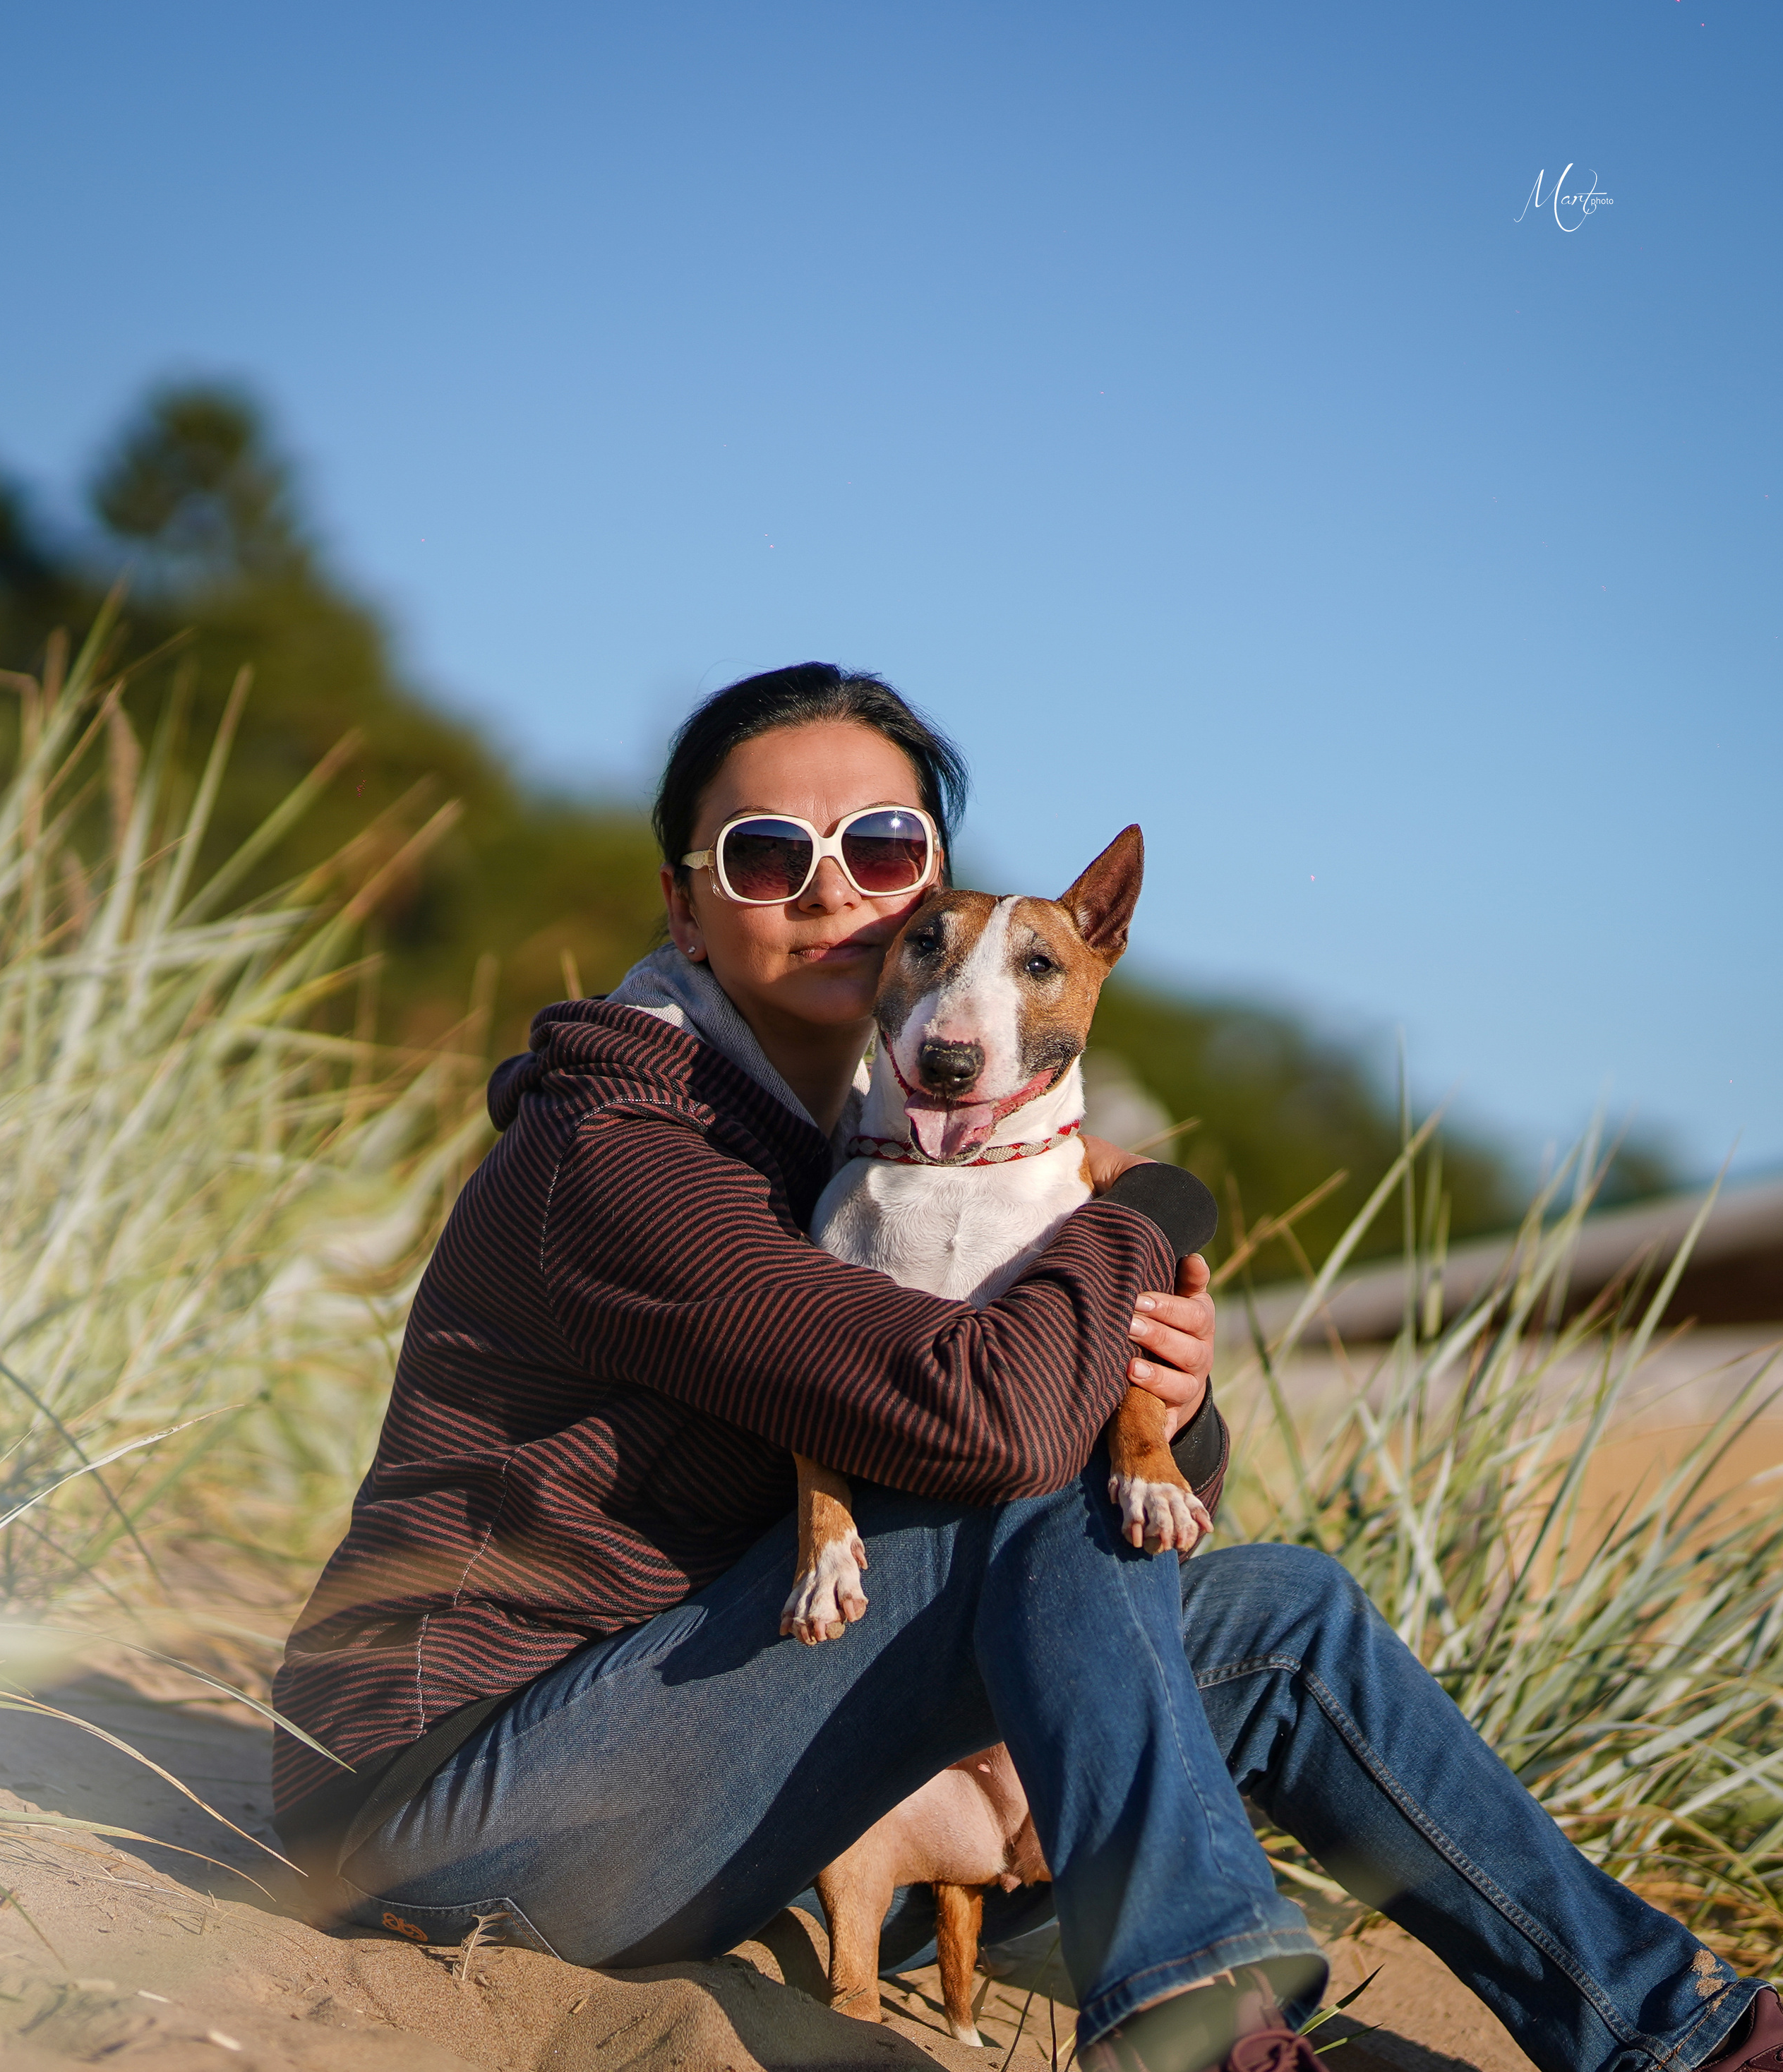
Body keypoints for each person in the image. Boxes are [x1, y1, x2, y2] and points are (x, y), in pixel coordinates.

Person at [271, 664, 1779, 2072]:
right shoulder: (627, 1156)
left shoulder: (852, 1155)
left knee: (1287, 1617)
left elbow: (1113, 1479)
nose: (829, 893)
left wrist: (1167, 1412)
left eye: (877, 847)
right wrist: (1151, 1206)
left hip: (684, 1761)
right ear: (682, 905)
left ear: (937, 893)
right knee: (1026, 1493)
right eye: (762, 855)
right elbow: (986, 1427)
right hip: (448, 1815)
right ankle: (1195, 2015)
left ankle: (1672, 2028)